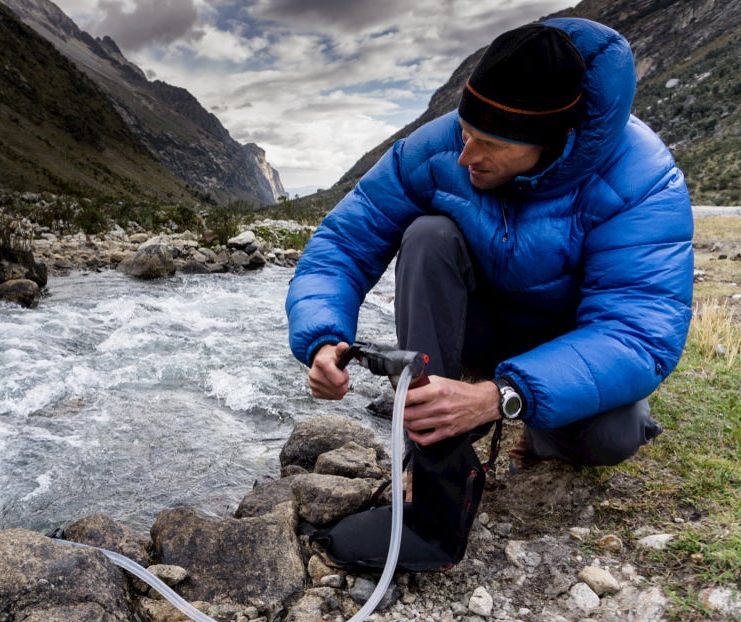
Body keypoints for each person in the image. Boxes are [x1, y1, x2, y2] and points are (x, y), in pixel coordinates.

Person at [287, 18, 693, 571]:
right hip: (474, 329)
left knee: (613, 437)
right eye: (465, 131)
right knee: (426, 236)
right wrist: (323, 336)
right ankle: (431, 470)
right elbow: (342, 244)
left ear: (553, 142)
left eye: (491, 144)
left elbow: (639, 334)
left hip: (564, 342)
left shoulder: (640, 178)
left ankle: (519, 420)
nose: (464, 156)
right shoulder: (439, 148)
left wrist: (502, 395)